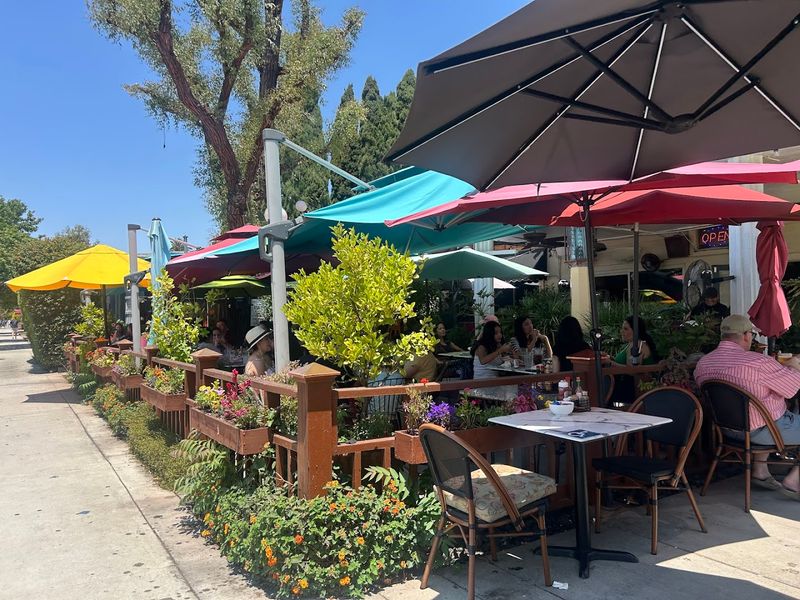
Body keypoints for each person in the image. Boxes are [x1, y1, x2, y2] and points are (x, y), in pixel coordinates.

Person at [694, 314, 800, 499]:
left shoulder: (703, 363)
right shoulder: (758, 362)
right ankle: (795, 479)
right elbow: (791, 389)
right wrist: (794, 366)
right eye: (752, 334)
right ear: (745, 335)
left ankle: (760, 470)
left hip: (726, 430)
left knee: (764, 407)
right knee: (771, 412)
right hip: (762, 432)